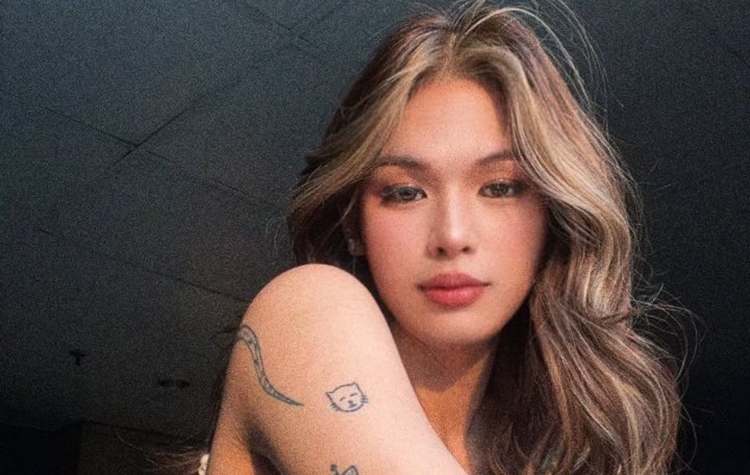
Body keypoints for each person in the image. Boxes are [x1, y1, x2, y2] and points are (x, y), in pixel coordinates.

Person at [202, 1, 682, 474]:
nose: (452, 236)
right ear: (353, 226)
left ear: (552, 216)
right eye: (405, 192)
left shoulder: (549, 445)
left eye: (499, 187)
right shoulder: (306, 312)